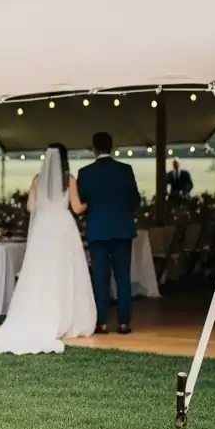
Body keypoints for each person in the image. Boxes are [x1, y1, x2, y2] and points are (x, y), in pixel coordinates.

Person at [0, 144, 96, 354]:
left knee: (39, 274)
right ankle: (67, 317)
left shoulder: (38, 180)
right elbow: (76, 208)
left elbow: (30, 207)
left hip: (42, 230)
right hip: (63, 228)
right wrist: (90, 203)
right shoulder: (70, 180)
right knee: (65, 272)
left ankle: (37, 315)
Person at [76, 131, 142, 334]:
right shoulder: (125, 170)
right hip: (122, 229)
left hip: (97, 230)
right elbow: (135, 200)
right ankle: (124, 322)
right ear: (111, 147)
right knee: (123, 277)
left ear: (94, 149)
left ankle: (101, 322)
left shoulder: (85, 173)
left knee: (100, 278)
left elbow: (81, 203)